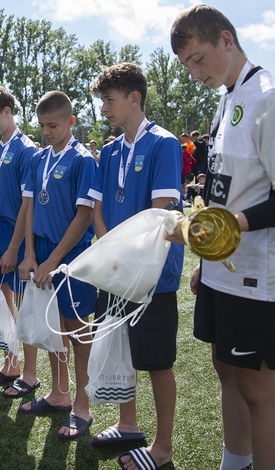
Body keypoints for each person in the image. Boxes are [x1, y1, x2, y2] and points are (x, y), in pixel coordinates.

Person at [171, 4, 275, 469]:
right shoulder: (228, 98)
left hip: (256, 274)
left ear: (226, 40)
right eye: (186, 65)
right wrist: (205, 257)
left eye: (198, 60)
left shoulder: (272, 97)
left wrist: (229, 231)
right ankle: (235, 462)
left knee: (256, 385)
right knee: (225, 369)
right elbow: (222, 189)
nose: (194, 73)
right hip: (221, 270)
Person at [88, 61, 184, 470]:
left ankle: (162, 448)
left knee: (157, 361)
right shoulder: (109, 151)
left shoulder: (163, 143)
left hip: (151, 274)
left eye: (109, 101)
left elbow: (161, 213)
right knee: (120, 352)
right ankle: (127, 424)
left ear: (133, 99)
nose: (104, 109)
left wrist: (125, 255)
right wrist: (110, 252)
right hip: (114, 271)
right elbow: (95, 206)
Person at [16, 91, 97, 439]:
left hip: (73, 256)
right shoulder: (39, 158)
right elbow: (31, 205)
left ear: (70, 122)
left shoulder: (83, 159)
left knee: (76, 329)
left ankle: (83, 405)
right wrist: (30, 254)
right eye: (43, 126)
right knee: (52, 327)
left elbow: (84, 215)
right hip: (44, 254)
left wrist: (53, 259)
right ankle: (59, 393)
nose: (47, 132)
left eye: (53, 125)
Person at [0, 86, 38, 393]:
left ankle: (29, 373)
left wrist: (15, 248)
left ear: (8, 112)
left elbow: (29, 205)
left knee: (24, 305)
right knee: (3, 303)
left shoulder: (28, 150)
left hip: (19, 235)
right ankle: (9, 363)